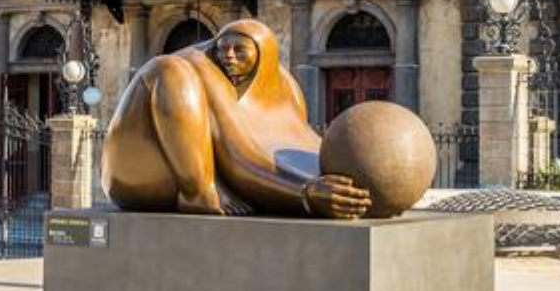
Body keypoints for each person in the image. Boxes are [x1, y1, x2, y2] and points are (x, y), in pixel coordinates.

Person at [102, 19, 371, 218]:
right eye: (223, 48)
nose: (228, 56)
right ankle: (197, 192)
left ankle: (212, 183)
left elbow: (294, 144)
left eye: (239, 50)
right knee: (168, 70)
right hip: (135, 175)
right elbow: (238, 157)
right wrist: (305, 193)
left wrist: (350, 183)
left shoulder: (286, 85)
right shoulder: (201, 65)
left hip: (199, 171)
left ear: (263, 54)